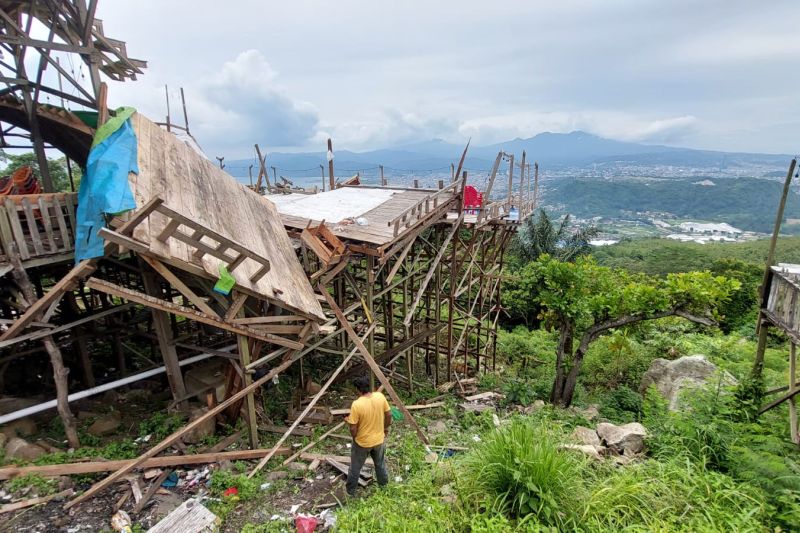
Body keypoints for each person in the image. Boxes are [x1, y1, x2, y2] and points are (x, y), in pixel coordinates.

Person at [344, 376, 391, 496]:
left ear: (358, 390)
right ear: (370, 387)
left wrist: (355, 437)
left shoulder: (357, 404)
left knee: (355, 468)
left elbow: (353, 427)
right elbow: (388, 415)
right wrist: (384, 429)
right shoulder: (380, 397)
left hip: (363, 442)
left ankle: (351, 492)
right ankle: (384, 487)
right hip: (378, 440)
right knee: (380, 465)